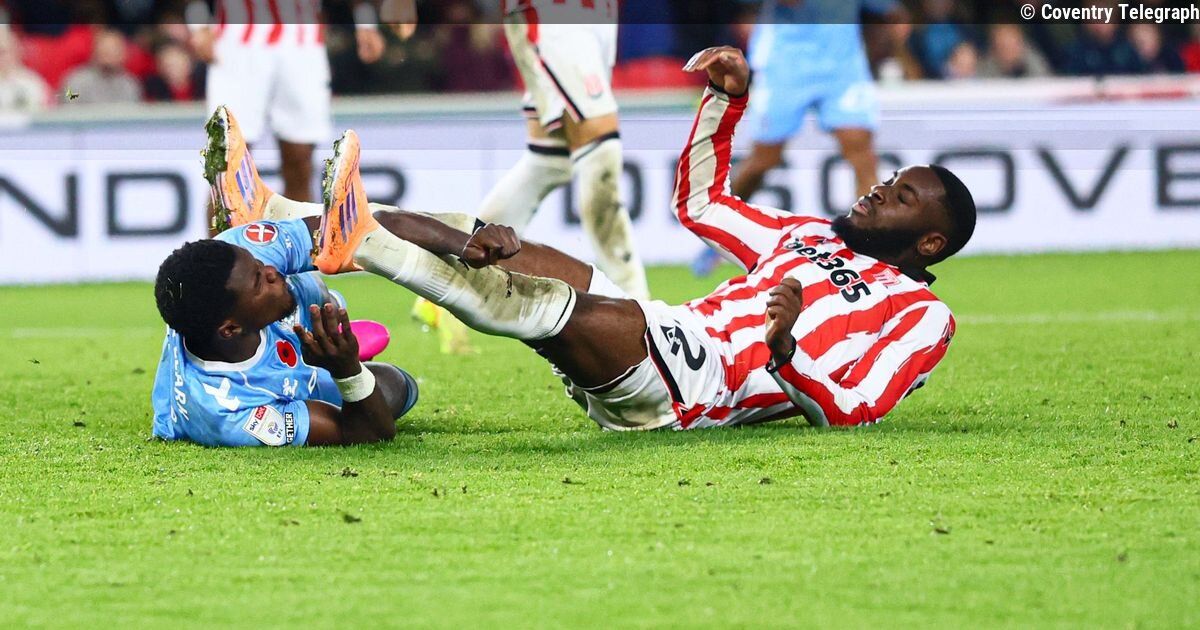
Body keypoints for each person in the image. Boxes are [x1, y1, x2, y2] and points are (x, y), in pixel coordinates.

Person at [305, 46, 976, 430]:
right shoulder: (806, 235)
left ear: (930, 244)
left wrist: (785, 348)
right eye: (891, 180)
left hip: (706, 383)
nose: (880, 189)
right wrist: (724, 105)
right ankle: (285, 223)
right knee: (479, 236)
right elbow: (703, 203)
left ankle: (362, 242)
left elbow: (858, 409)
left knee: (533, 299)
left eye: (902, 197)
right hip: (667, 327)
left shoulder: (924, 316)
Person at [150, 107, 419, 447]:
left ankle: (318, 316)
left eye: (260, 267)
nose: (272, 273)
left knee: (303, 270)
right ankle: (330, 344)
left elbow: (354, 229)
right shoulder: (230, 412)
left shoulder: (232, 264)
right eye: (259, 281)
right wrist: (346, 368)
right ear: (229, 328)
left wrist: (462, 241)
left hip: (271, 326)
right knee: (399, 388)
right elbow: (371, 433)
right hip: (276, 384)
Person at [692, 0, 907, 276]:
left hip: (842, 68)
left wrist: (888, 46)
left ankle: (870, 249)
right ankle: (717, 230)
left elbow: (893, 13)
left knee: (861, 155)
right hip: (785, 64)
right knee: (763, 161)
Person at [185, 0, 386, 214]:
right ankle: (223, 237)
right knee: (227, 163)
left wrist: (366, 23)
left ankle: (295, 234)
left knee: (300, 160)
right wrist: (198, 25)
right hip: (236, 42)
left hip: (301, 43)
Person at [61, 28, 141, 104]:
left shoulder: (130, 85)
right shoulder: (76, 81)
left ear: (123, 54)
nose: (109, 54)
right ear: (94, 51)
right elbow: (69, 105)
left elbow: (133, 110)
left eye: (114, 50)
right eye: (105, 49)